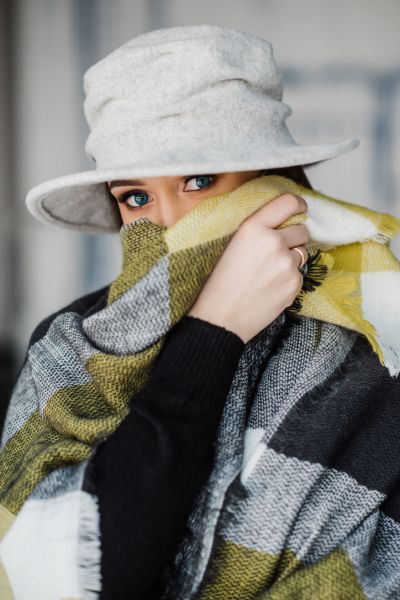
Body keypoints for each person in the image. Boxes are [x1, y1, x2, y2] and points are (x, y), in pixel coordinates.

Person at [1, 24, 399, 600]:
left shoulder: (373, 340)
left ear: (272, 185)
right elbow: (63, 575)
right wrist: (212, 332)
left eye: (200, 180)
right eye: (136, 197)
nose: (171, 223)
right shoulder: (73, 343)